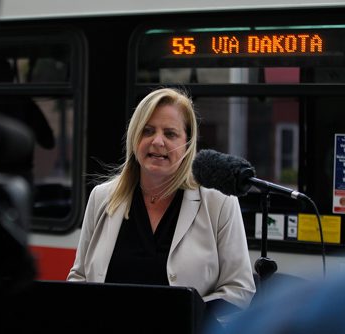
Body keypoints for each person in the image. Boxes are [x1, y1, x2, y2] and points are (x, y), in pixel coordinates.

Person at [67, 87, 256, 331]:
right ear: (135, 138)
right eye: (148, 131)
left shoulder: (218, 202)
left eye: (170, 133)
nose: (158, 141)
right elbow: (79, 279)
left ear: (187, 143)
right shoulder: (102, 197)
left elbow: (239, 290)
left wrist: (184, 317)